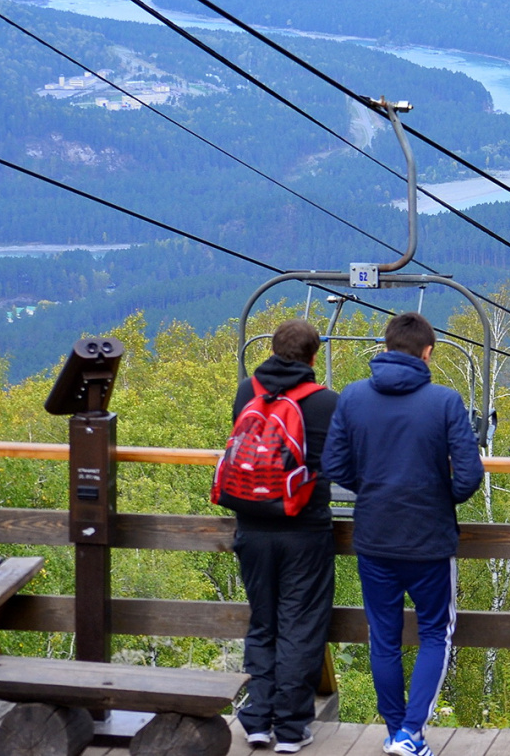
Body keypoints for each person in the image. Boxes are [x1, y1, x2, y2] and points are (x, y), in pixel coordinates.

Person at [323, 312, 484, 756]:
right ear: (427, 353)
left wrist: (373, 489)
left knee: (383, 636)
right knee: (436, 632)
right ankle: (412, 732)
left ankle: (395, 730)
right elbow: (470, 476)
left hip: (373, 536)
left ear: (386, 346)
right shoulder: (445, 402)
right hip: (429, 540)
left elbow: (334, 466)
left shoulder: (352, 397)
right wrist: (438, 495)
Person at [230, 319, 340, 754]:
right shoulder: (325, 402)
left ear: (272, 349)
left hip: (251, 525)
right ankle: (292, 729)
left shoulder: (247, 391)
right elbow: (337, 463)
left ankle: (256, 720)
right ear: (314, 357)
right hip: (304, 527)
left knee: (263, 621)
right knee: (300, 625)